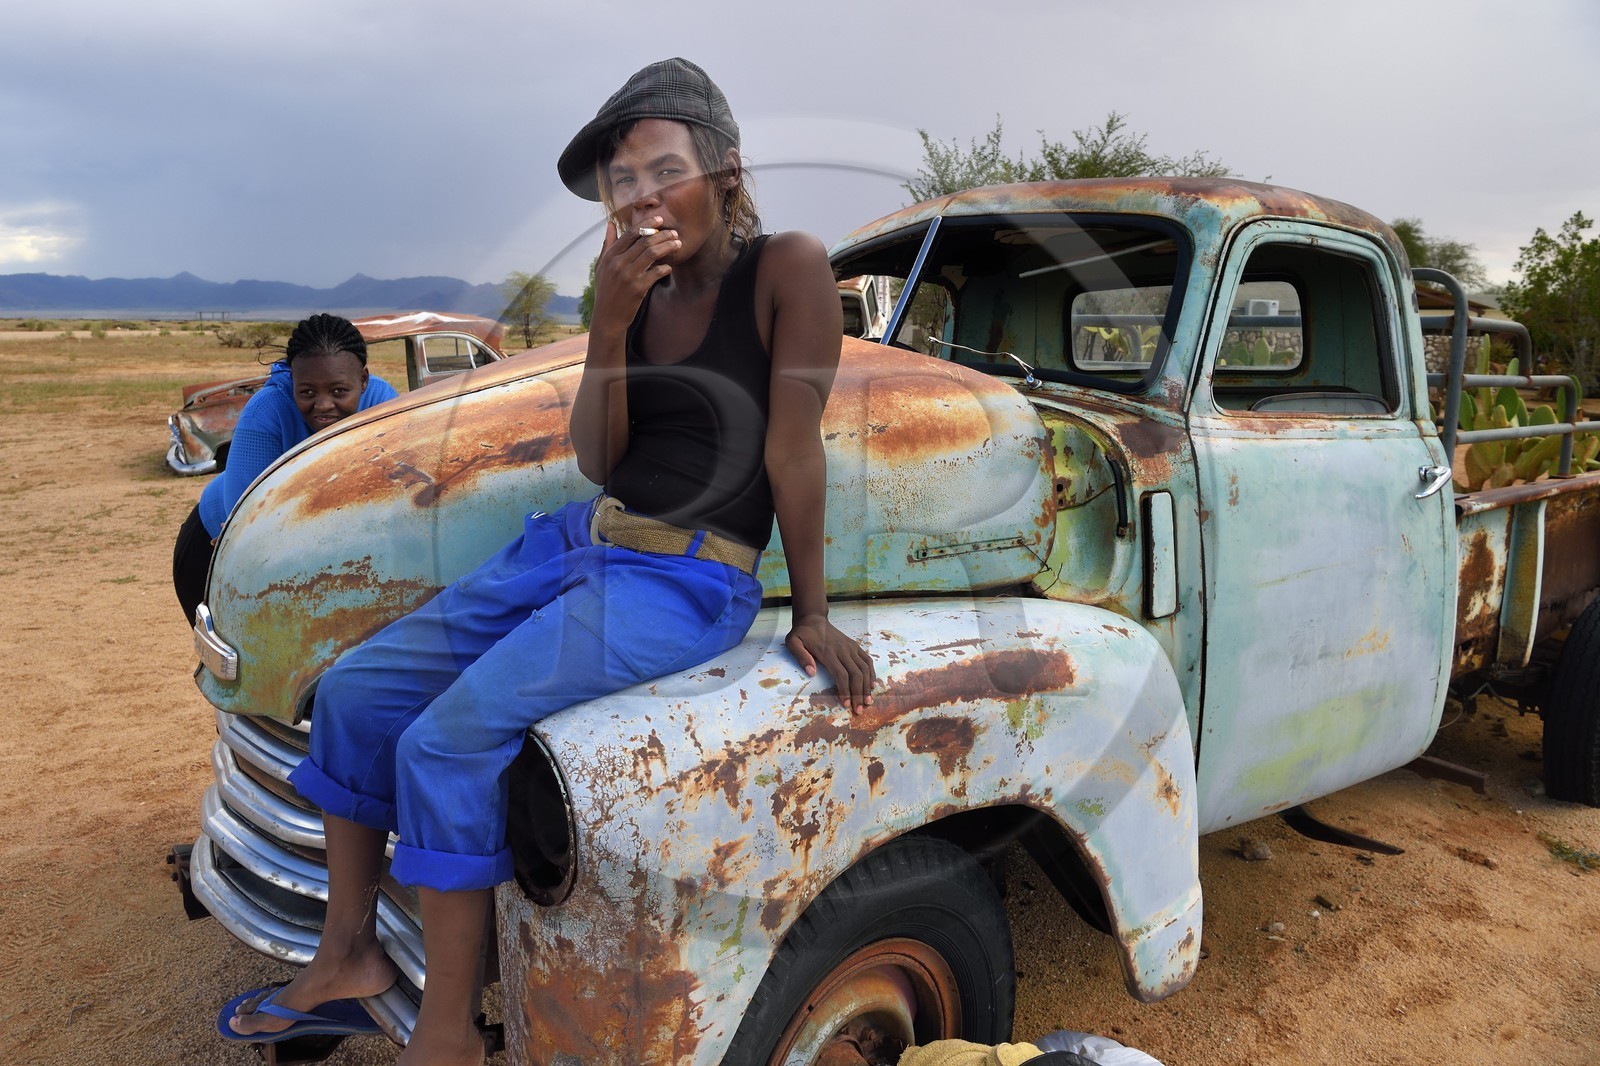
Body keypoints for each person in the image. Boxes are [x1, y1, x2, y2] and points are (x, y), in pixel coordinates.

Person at [219, 58, 877, 1064]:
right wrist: (608, 326)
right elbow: (600, 457)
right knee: (353, 693)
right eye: (622, 183)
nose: (641, 197)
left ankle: (449, 1032)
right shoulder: (635, 296)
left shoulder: (785, 266)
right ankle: (349, 953)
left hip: (689, 576)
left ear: (727, 170)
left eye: (663, 169)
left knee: (444, 746)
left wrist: (812, 610)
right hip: (579, 541)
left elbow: (794, 445)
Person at [172, 314, 398, 623]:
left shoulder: (384, 404)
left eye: (338, 391)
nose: (323, 405)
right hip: (219, 550)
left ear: (363, 380)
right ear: (293, 381)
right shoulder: (267, 412)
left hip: (313, 551)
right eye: (307, 392)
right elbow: (247, 531)